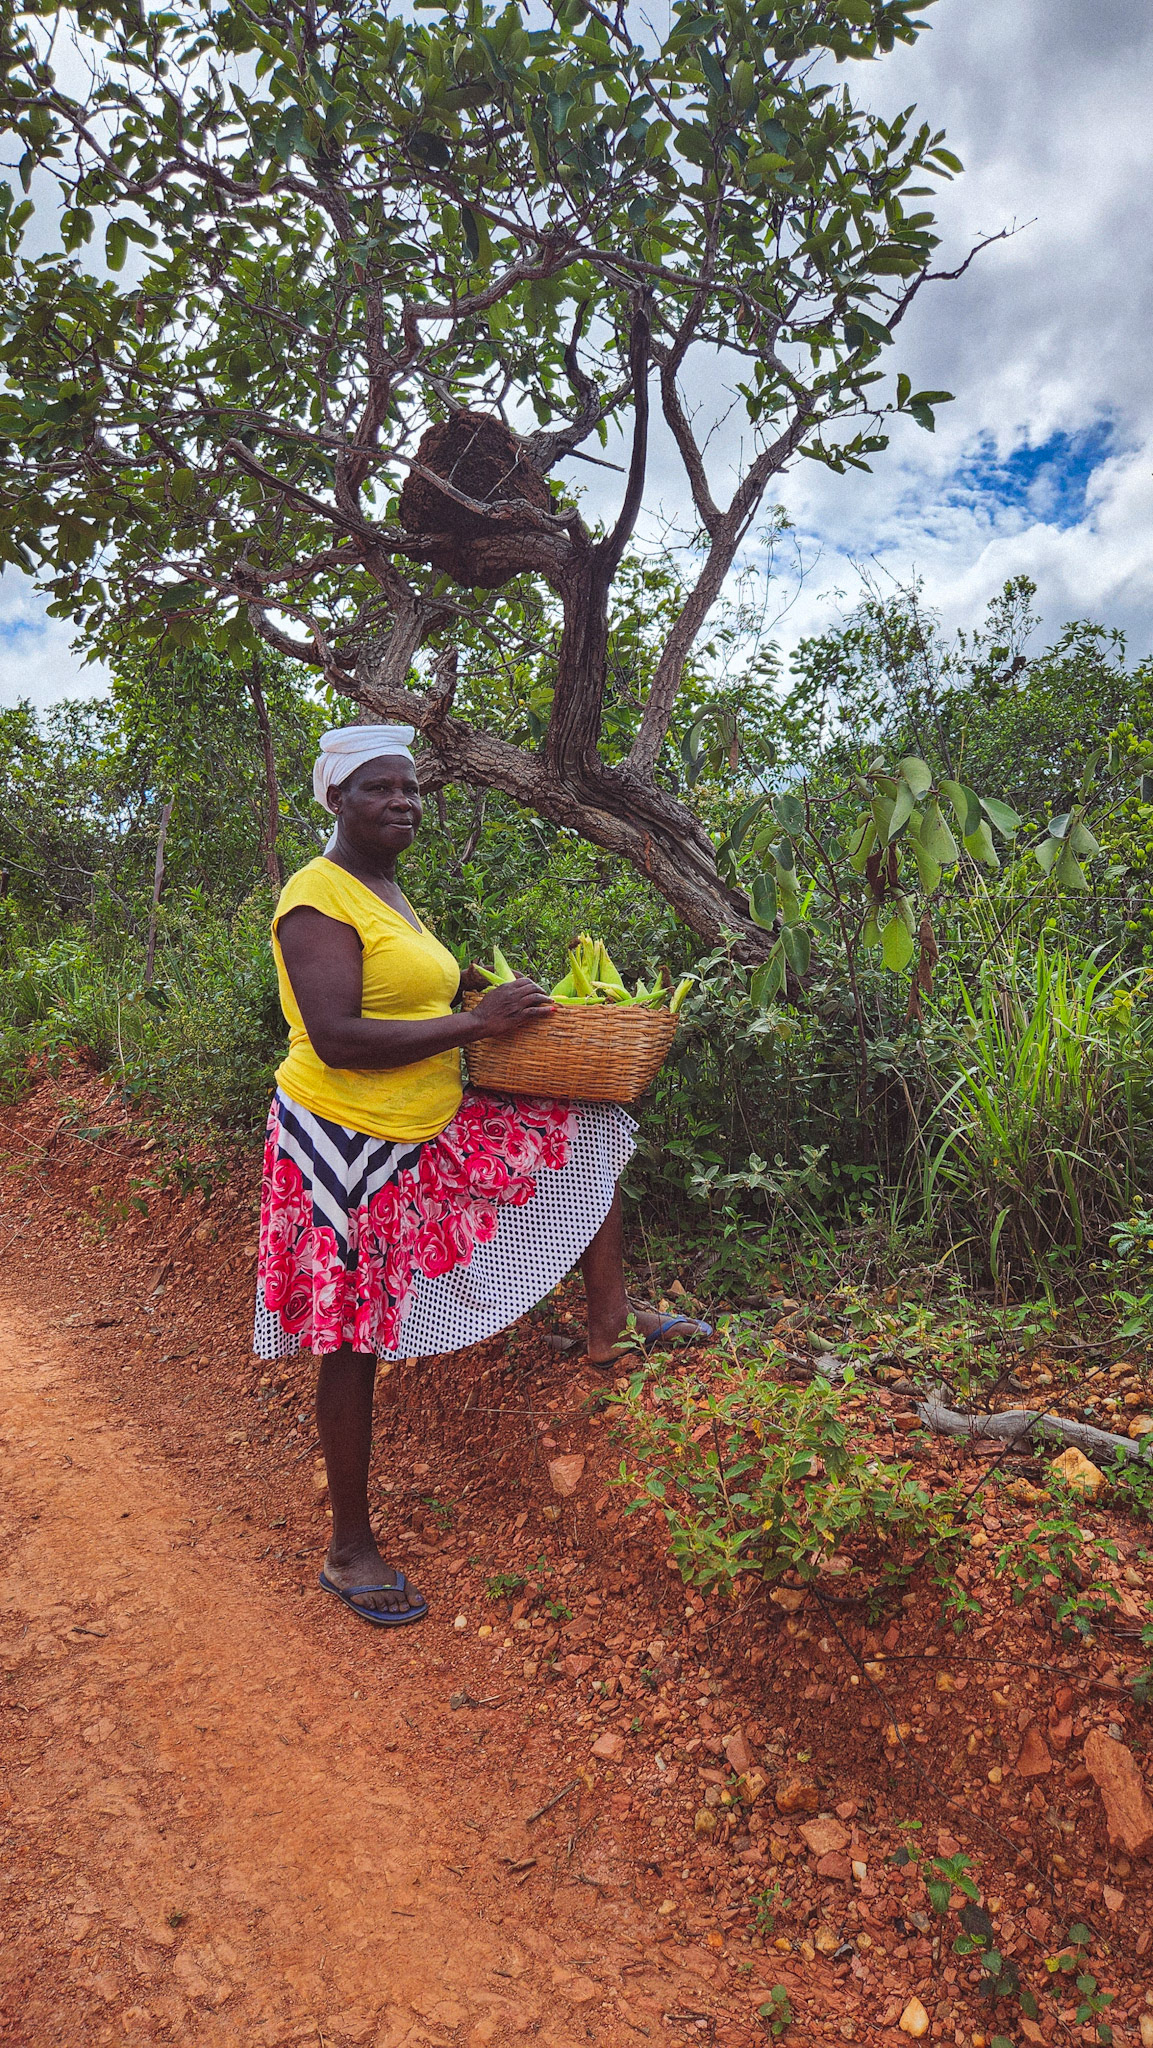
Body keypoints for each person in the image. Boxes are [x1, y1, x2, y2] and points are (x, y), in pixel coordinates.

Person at [254, 723, 709, 1628]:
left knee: (580, 1124)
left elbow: (411, 983)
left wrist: (482, 990)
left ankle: (609, 1324)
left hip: (422, 1124)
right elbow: (339, 1038)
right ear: (337, 799)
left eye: (413, 790)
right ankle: (349, 1548)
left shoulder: (383, 888)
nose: (403, 804)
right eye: (381, 789)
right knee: (350, 1337)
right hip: (340, 1141)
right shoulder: (314, 897)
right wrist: (480, 1027)